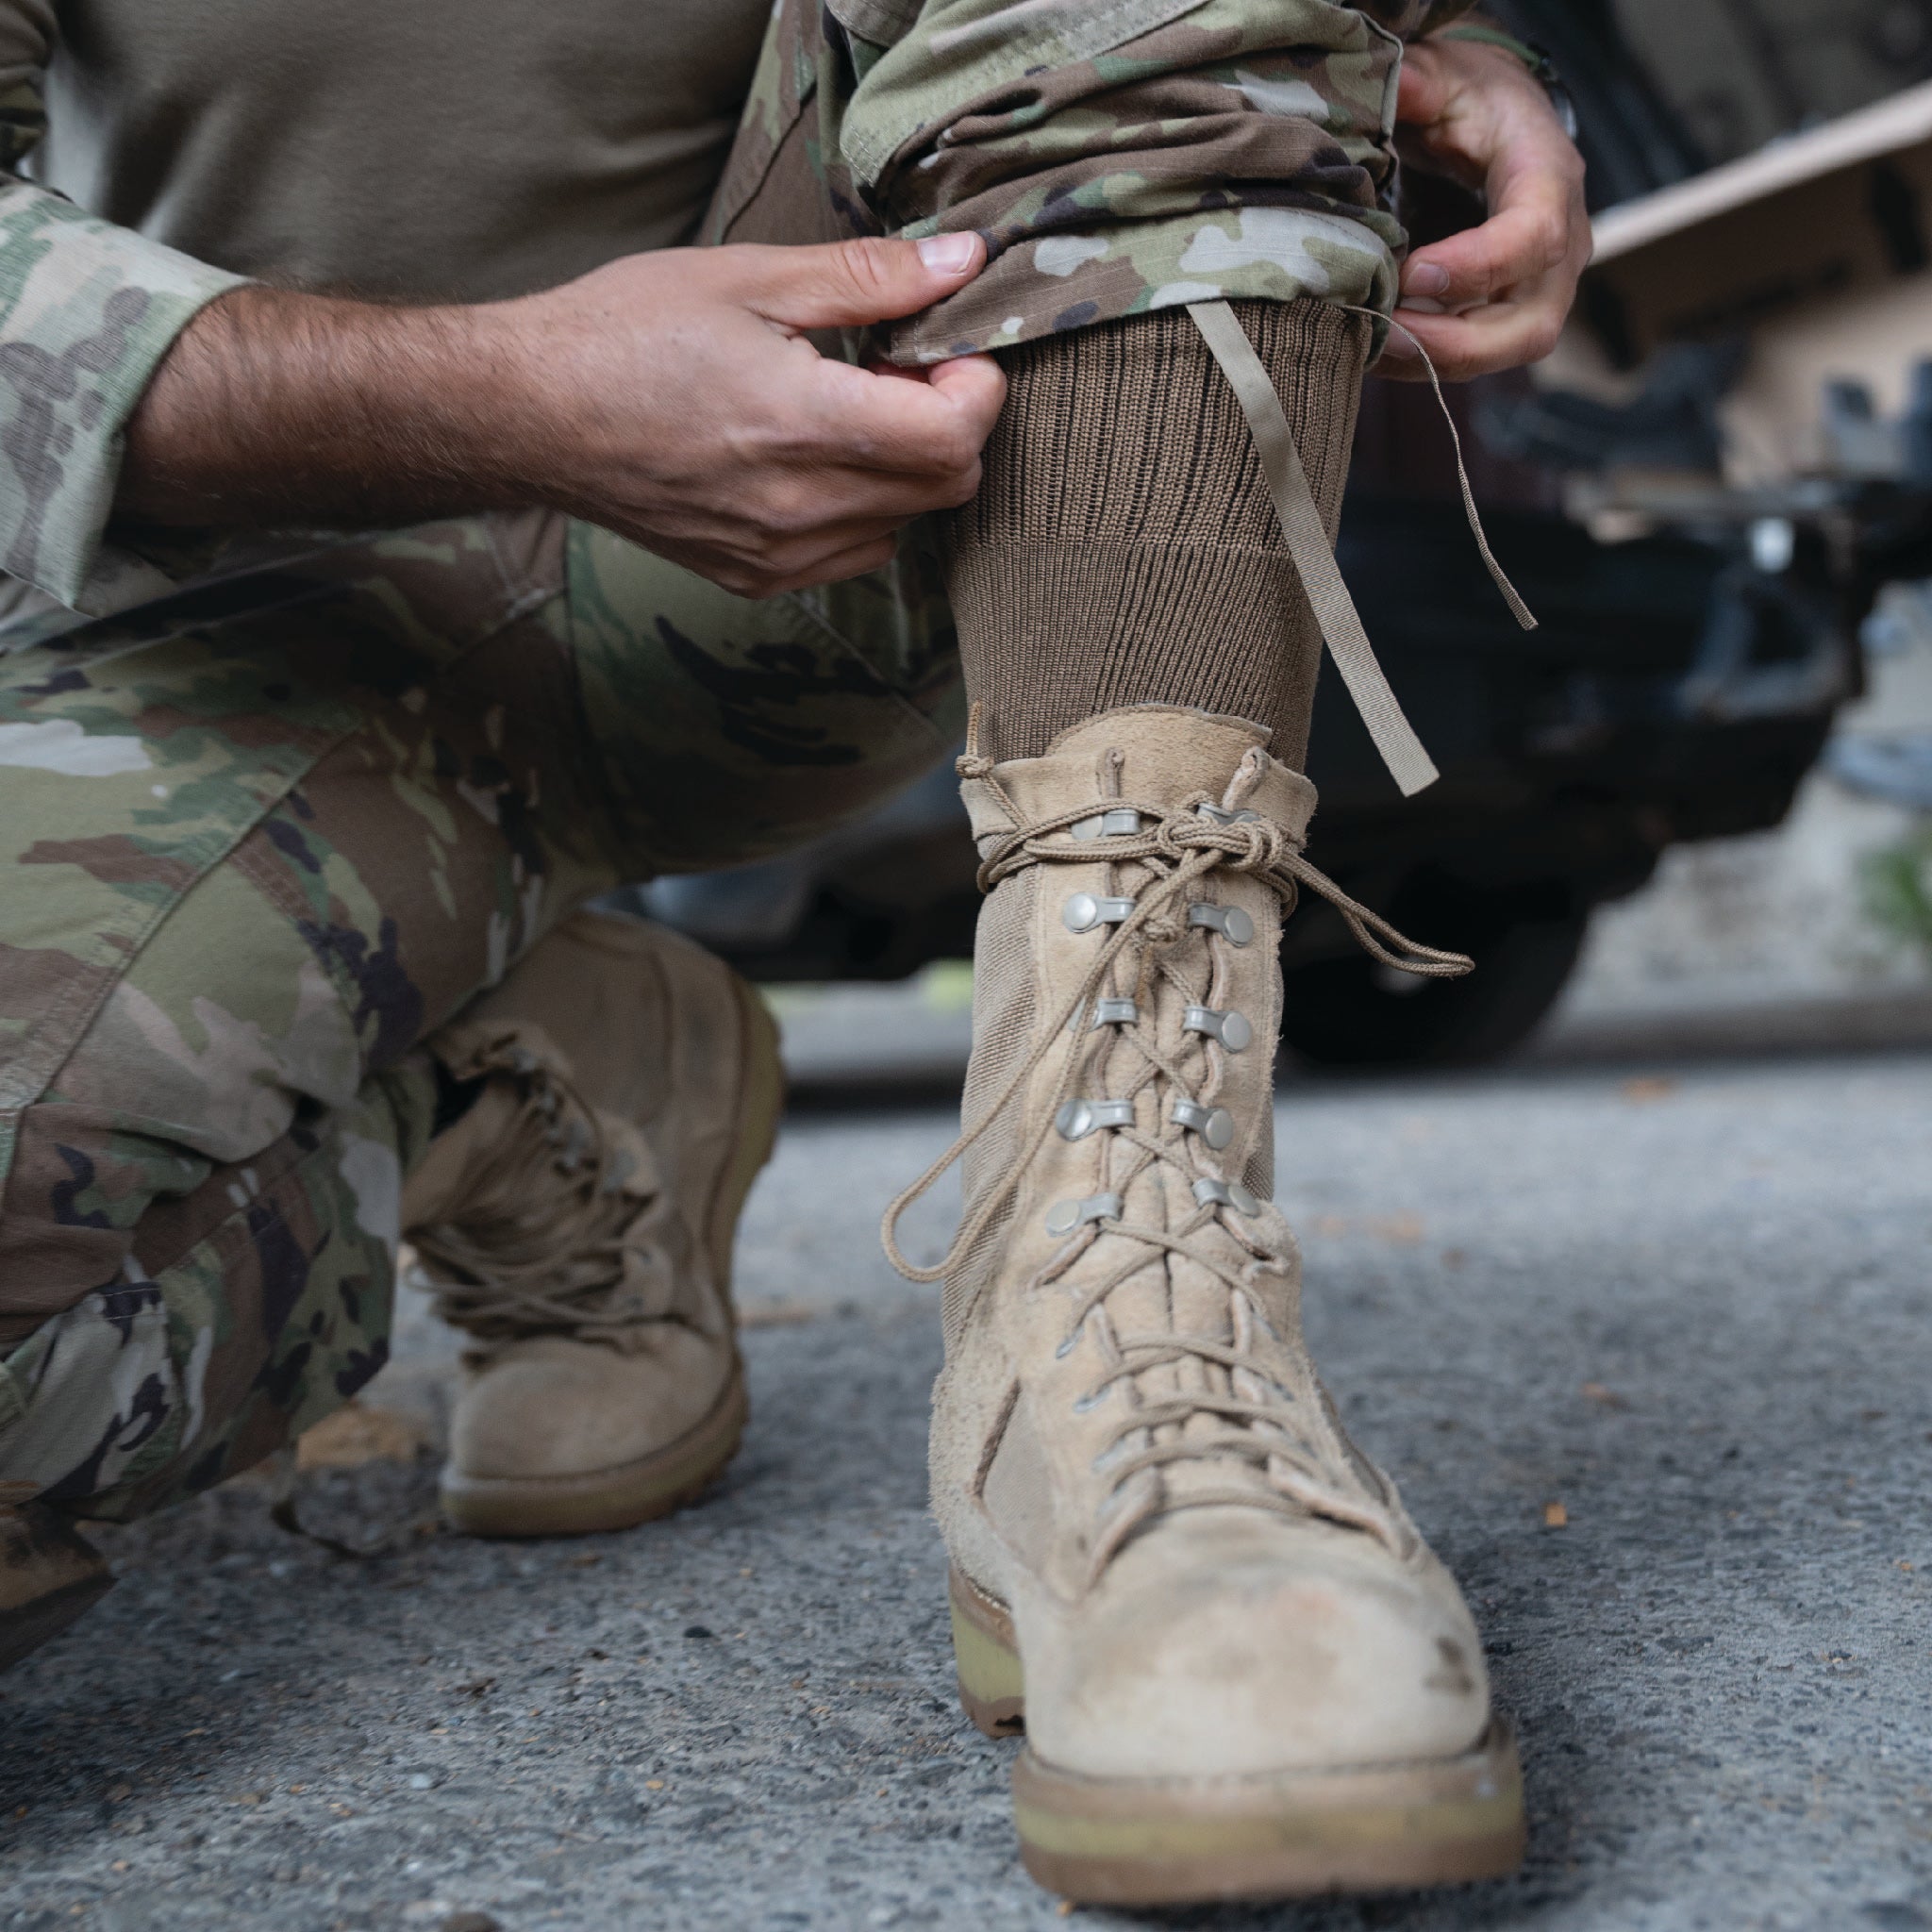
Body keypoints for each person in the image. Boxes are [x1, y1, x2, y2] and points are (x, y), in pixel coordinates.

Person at [0, 0, 1589, 1905]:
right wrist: (493, 386)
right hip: (214, 596)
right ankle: (492, 1090)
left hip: (886, 477)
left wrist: (1417, 37)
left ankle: (1111, 1286)